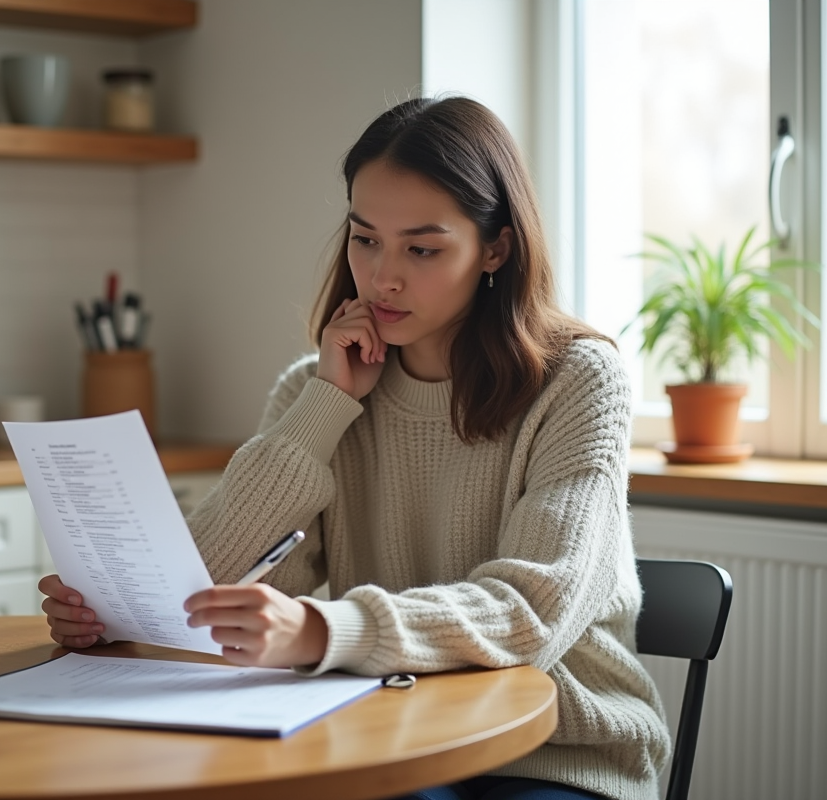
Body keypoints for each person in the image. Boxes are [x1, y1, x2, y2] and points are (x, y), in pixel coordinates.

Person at [39, 96, 671, 800]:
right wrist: (115, 612)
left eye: (422, 248)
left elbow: (532, 613)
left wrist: (324, 630)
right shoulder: (316, 392)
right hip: (389, 742)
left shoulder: (579, 382)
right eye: (364, 238)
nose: (382, 276)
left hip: (557, 755)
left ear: (496, 246)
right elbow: (205, 592)